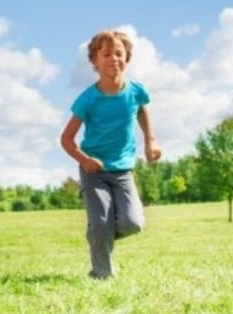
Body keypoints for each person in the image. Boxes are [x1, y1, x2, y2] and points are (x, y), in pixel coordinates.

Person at [60, 30, 161, 280]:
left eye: (119, 53)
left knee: (133, 223)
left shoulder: (136, 90)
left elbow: (141, 111)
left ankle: (98, 235)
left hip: (123, 169)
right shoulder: (88, 99)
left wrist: (150, 140)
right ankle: (101, 273)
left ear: (127, 58)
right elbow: (66, 139)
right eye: (106, 54)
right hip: (94, 170)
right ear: (94, 61)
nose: (113, 59)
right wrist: (84, 160)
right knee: (101, 222)